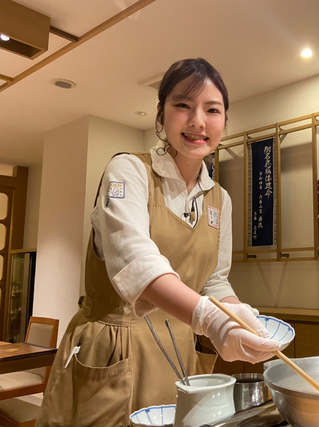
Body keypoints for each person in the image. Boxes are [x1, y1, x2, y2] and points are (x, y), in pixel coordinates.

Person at [37, 58, 280, 427]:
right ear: (161, 114)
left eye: (212, 110)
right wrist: (211, 318)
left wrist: (240, 319)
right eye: (183, 105)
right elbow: (137, 263)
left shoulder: (220, 199)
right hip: (115, 345)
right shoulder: (128, 171)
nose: (198, 120)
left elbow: (213, 280)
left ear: (224, 121)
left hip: (179, 351)